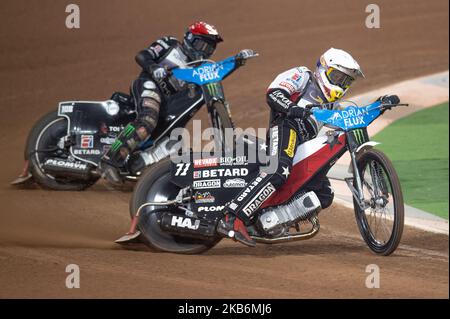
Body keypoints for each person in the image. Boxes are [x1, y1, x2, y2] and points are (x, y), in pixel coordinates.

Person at [217, 48, 365, 246]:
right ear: (323, 69)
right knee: (278, 171)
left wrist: (379, 106)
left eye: (345, 81)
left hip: (303, 144)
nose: (340, 84)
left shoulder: (333, 105)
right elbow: (274, 94)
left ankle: (270, 220)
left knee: (323, 193)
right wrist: (292, 108)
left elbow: (347, 121)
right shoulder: (303, 76)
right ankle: (232, 218)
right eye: (337, 77)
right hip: (286, 126)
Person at [99, 21, 224, 184]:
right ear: (189, 38)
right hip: (149, 84)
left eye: (209, 48)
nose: (204, 51)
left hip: (166, 103)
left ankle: (138, 166)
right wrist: (153, 67)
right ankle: (110, 160)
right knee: (147, 120)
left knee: (176, 141)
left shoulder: (197, 70)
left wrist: (237, 61)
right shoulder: (170, 44)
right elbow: (142, 55)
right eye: (201, 44)